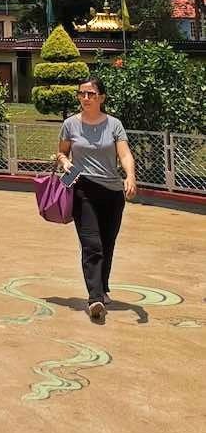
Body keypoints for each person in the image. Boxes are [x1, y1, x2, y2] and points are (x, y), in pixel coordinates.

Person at [57, 76, 137, 324]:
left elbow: (124, 154)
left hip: (112, 193)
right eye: (82, 93)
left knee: (107, 243)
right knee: (92, 244)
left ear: (102, 97)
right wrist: (64, 161)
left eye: (91, 94)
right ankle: (95, 299)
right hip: (83, 189)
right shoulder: (70, 124)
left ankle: (102, 285)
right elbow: (62, 151)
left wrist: (130, 176)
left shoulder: (114, 125)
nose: (86, 98)